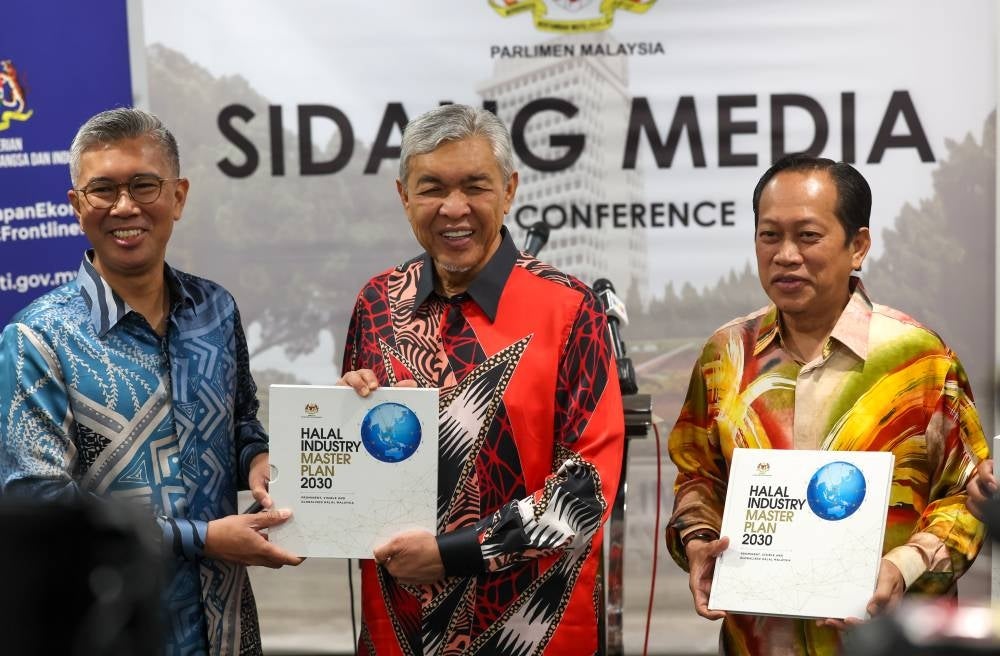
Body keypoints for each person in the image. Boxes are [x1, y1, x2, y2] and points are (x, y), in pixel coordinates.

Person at [0, 108, 302, 655]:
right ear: (76, 206)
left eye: (144, 185)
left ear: (179, 196)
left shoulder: (216, 309)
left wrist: (258, 460)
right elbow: (40, 507)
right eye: (102, 190)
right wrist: (206, 540)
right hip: (113, 630)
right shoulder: (36, 339)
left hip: (229, 626)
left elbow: (238, 424)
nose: (125, 206)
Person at [666, 154, 989, 655]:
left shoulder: (918, 359)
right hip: (757, 642)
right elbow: (699, 476)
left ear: (857, 246)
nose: (785, 255)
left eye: (808, 236)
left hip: (884, 642)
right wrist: (699, 540)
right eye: (769, 235)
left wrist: (903, 568)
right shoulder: (725, 356)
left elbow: (968, 499)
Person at [336, 103, 625, 655]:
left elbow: (586, 488)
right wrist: (345, 420)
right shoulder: (376, 302)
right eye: (431, 189)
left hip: (530, 632)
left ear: (510, 190)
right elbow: (358, 471)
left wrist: (452, 553)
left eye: (475, 186)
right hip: (399, 632)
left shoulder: (569, 309)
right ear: (403, 196)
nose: (453, 208)